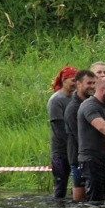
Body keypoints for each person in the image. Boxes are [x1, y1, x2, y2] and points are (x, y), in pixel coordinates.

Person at [77, 76, 105, 202]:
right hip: (91, 160)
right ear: (102, 90)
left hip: (104, 159)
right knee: (95, 199)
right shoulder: (89, 106)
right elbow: (102, 127)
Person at [64, 69, 97, 201]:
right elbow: (79, 136)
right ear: (78, 83)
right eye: (89, 83)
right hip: (77, 158)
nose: (92, 86)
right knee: (79, 198)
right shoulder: (72, 109)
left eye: (94, 83)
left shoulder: (94, 104)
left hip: (93, 157)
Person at [47, 65, 77, 200]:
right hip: (60, 151)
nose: (75, 83)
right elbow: (58, 128)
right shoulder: (56, 100)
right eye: (72, 80)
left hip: (75, 148)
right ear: (64, 80)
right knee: (61, 185)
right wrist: (74, 144)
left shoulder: (76, 97)